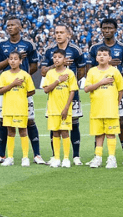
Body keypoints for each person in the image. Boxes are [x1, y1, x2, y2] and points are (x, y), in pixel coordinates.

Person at [0, 17, 45, 165]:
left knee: (30, 121)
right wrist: (11, 59)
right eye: (8, 25)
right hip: (7, 89)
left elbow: (34, 66)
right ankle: (2, 155)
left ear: (20, 27)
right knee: (4, 122)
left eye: (13, 25)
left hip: (22, 88)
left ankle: (36, 155)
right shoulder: (2, 45)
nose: (9, 27)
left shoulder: (28, 44)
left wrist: (22, 74)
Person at [88, 18, 123, 166]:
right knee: (99, 124)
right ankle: (98, 156)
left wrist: (114, 73)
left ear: (115, 30)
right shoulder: (94, 48)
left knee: (120, 122)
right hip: (99, 95)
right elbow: (90, 69)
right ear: (101, 29)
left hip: (115, 93)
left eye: (110, 28)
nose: (107, 30)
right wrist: (105, 68)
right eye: (104, 28)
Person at [41, 24, 87, 166]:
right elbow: (43, 71)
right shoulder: (50, 51)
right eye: (56, 32)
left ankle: (76, 156)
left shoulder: (75, 50)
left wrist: (70, 81)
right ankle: (56, 156)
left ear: (68, 34)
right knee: (54, 125)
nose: (59, 35)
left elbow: (82, 69)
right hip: (54, 95)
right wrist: (56, 66)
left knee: (74, 123)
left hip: (70, 93)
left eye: (62, 32)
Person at [84, 46, 123, 169]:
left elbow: (121, 89)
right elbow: (86, 89)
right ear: (96, 58)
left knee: (111, 133)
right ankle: (98, 157)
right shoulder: (92, 71)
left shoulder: (115, 71)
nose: (102, 56)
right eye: (99, 54)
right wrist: (101, 82)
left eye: (104, 54)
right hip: (96, 109)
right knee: (99, 134)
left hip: (110, 109)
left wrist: (116, 103)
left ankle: (112, 158)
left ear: (109, 58)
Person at [0, 51, 36, 167]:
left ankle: (25, 157)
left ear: (20, 61)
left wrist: (20, 96)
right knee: (10, 132)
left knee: (23, 131)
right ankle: (10, 157)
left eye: (15, 59)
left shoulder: (25, 75)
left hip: (21, 108)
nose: (13, 61)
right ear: (8, 61)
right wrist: (13, 85)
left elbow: (31, 91)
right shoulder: (4, 75)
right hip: (8, 108)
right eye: (11, 59)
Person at [42, 49, 78, 168]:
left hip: (65, 108)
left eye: (59, 57)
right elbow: (46, 89)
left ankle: (66, 158)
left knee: (65, 132)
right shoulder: (50, 73)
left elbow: (72, 91)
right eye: (55, 57)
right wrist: (58, 80)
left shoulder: (70, 73)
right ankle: (57, 158)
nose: (56, 59)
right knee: (55, 133)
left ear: (64, 59)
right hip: (52, 108)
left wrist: (66, 107)